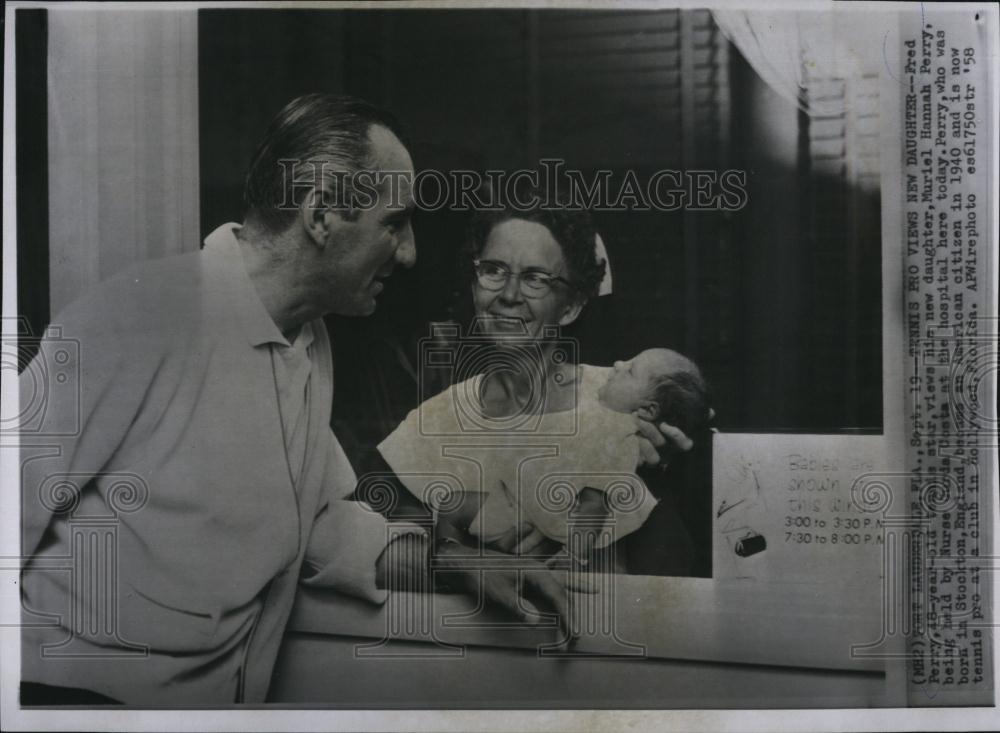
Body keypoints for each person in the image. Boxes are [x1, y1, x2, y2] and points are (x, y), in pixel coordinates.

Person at [18, 93, 578, 706]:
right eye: (394, 223)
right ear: (321, 216)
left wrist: (457, 563)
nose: (411, 252)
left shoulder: (308, 340)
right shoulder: (140, 315)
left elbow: (321, 523)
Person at [377, 200, 701, 570]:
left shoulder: (623, 397)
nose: (510, 294)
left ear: (571, 307)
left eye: (535, 278)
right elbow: (396, 548)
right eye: (493, 270)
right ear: (473, 286)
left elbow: (674, 566)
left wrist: (662, 476)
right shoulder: (437, 420)